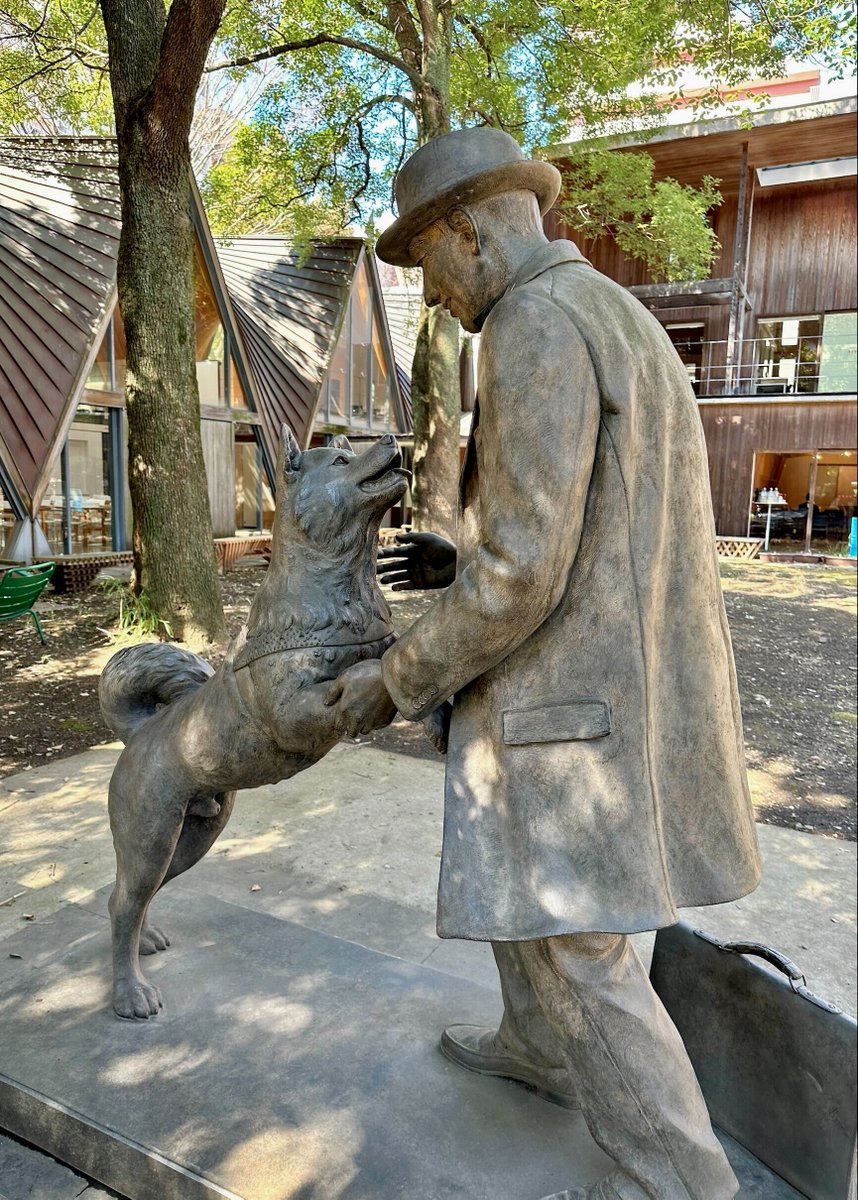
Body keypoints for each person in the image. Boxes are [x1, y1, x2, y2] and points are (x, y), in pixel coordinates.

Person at [325, 127, 761, 1199]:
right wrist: (459, 558)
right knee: (522, 894)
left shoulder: (528, 326)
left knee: (581, 947)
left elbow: (523, 575)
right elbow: (583, 522)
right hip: (614, 682)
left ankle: (680, 1181)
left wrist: (399, 675)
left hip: (569, 706)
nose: (429, 294)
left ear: (467, 229)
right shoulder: (614, 311)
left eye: (426, 264)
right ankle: (535, 1048)